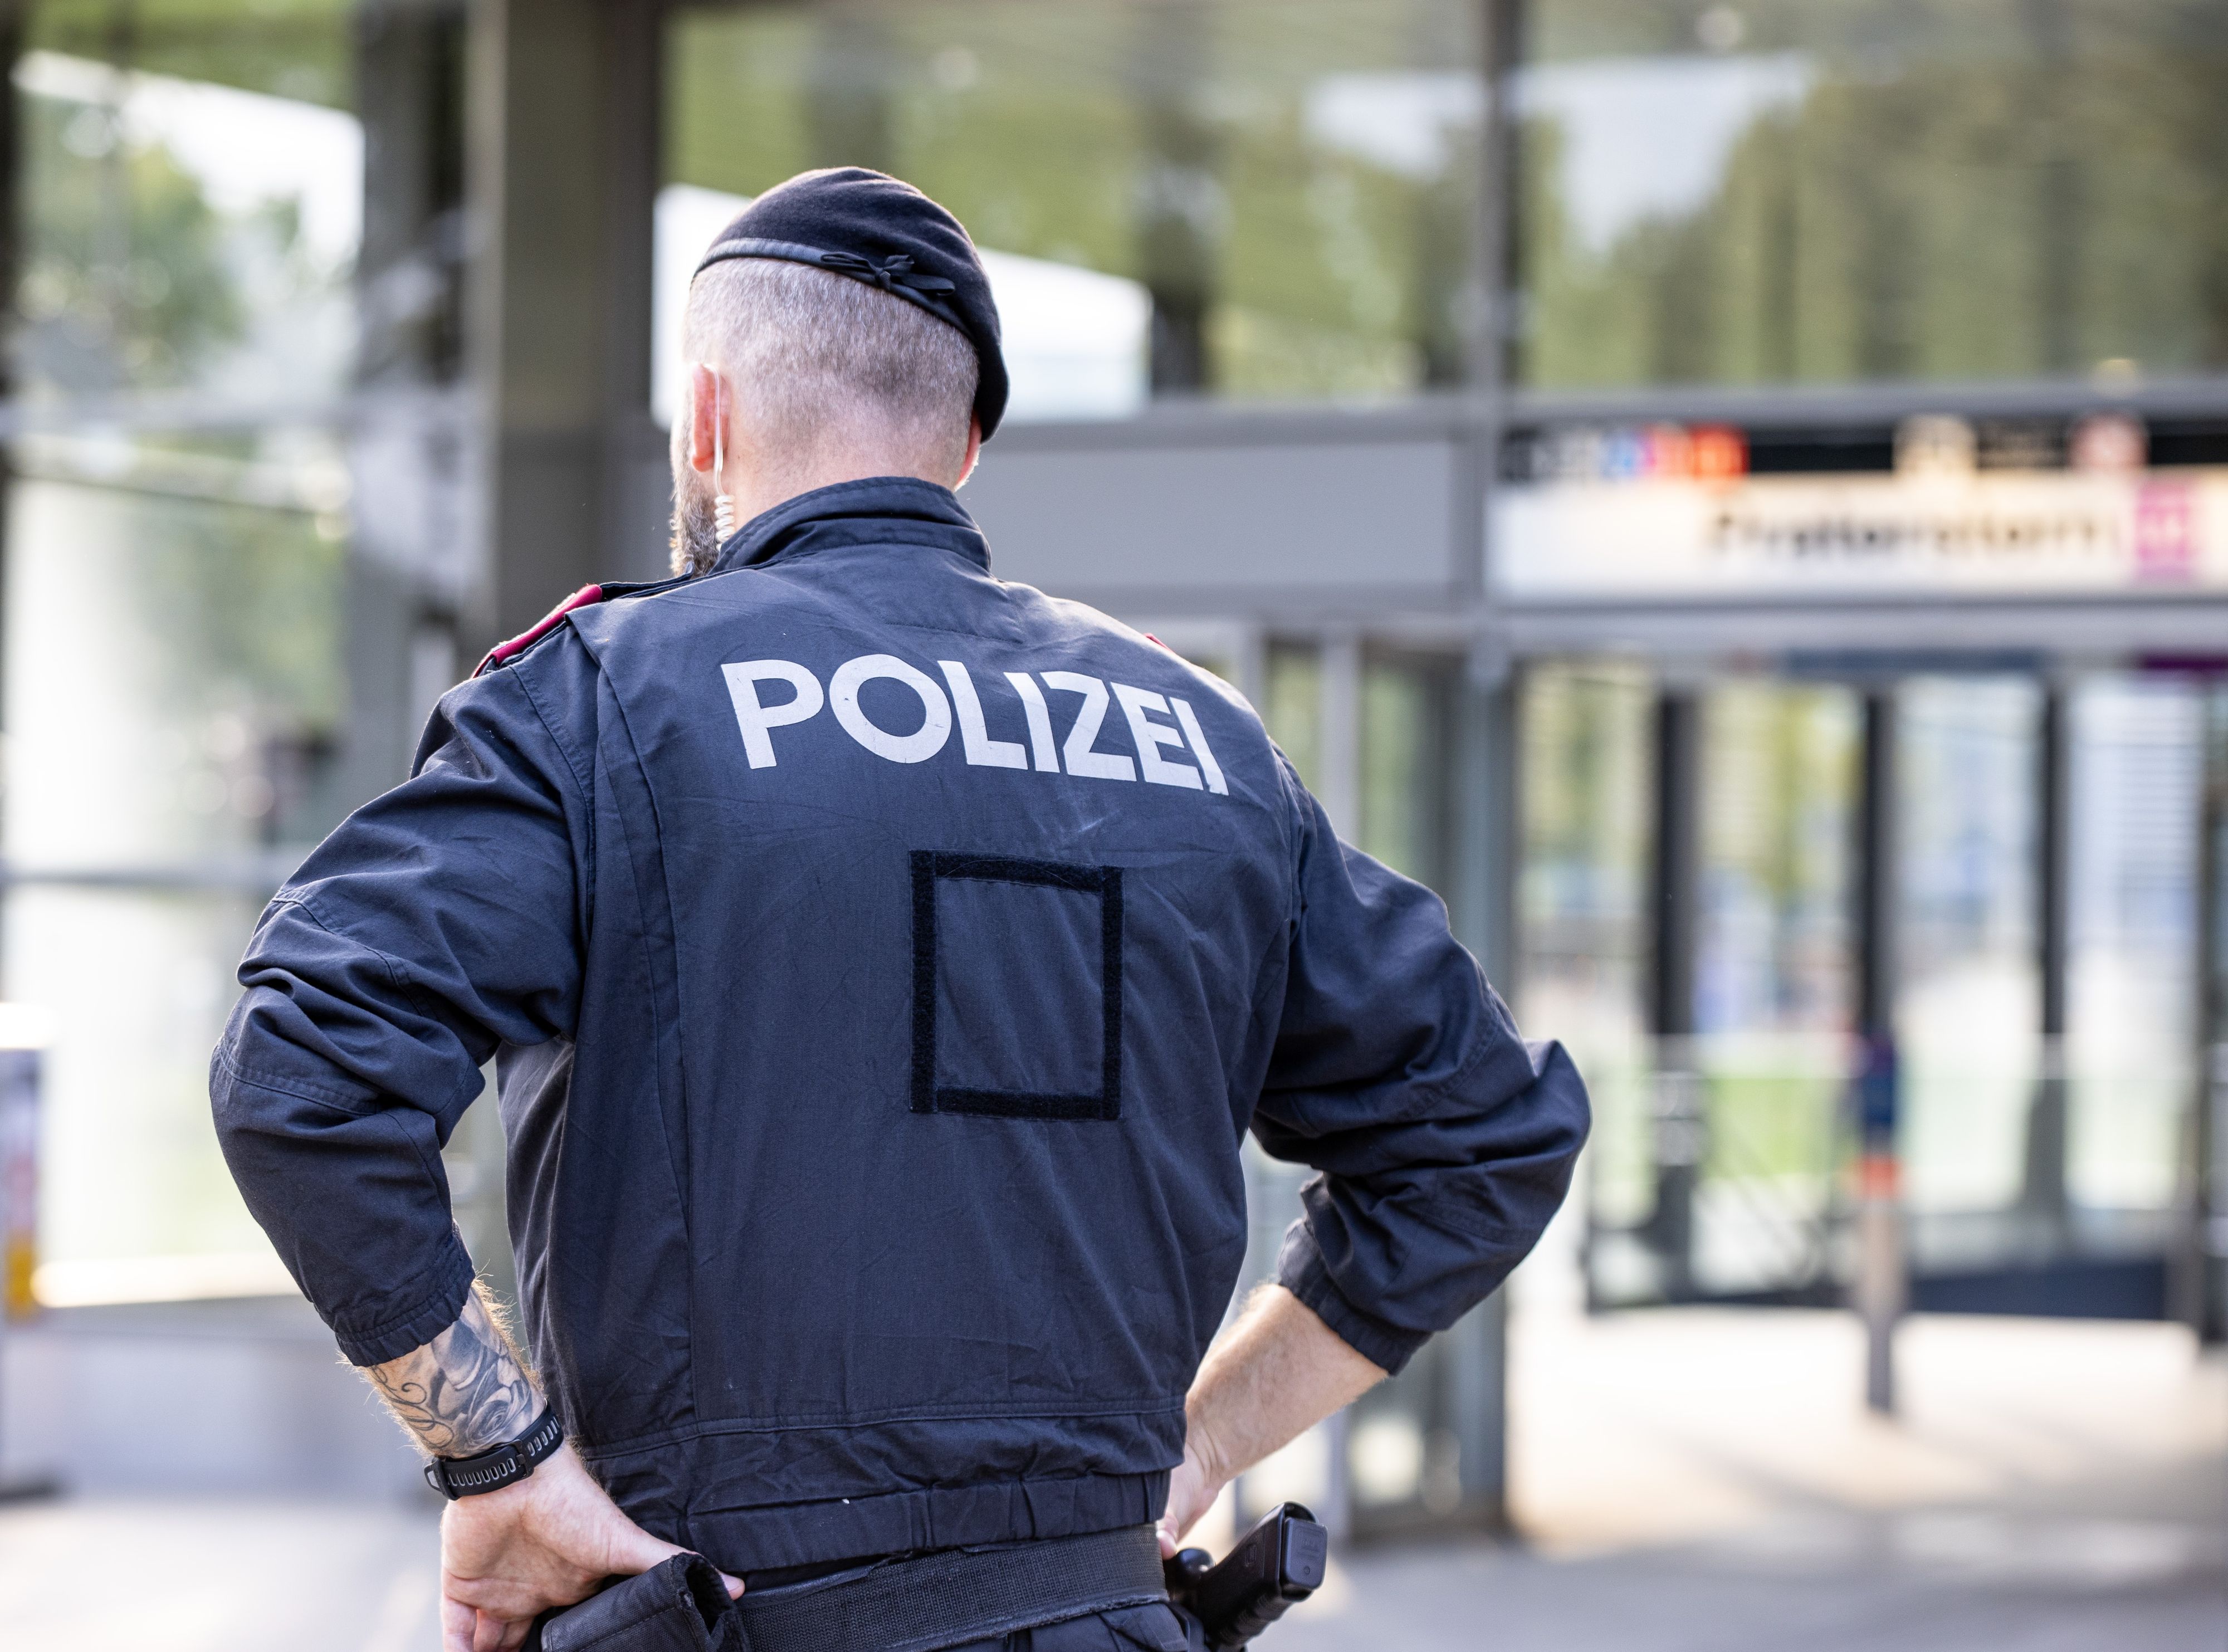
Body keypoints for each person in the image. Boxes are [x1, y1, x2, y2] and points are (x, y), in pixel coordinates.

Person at [211, 167, 1588, 1652]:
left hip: (727, 1618)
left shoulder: (609, 700)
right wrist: (1201, 1443)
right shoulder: (1204, 744)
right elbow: (1485, 1139)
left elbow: (304, 1065)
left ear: (711, 419)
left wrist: (501, 1462)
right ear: (969, 445)